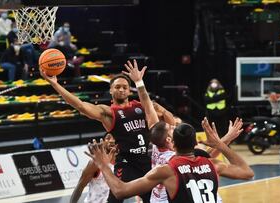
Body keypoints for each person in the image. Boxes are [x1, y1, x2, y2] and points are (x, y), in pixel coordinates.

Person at [86, 61, 254, 202]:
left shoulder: (165, 167)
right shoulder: (207, 162)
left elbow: (120, 190)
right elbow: (234, 165)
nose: (172, 125)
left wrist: (102, 164)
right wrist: (223, 142)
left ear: (171, 141)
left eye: (173, 128)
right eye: (171, 127)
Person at [40, 60, 173, 203]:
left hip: (148, 161)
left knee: (156, 199)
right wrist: (55, 84)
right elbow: (81, 106)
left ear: (129, 90)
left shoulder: (141, 106)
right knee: (115, 198)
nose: (121, 90)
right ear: (111, 90)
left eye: (124, 87)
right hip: (126, 163)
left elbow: (167, 119)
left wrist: (140, 83)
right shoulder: (108, 112)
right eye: (117, 87)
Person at [70, 133, 116, 203]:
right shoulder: (95, 163)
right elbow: (80, 186)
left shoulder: (122, 162)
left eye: (114, 138)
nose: (111, 140)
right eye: (108, 138)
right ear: (103, 142)